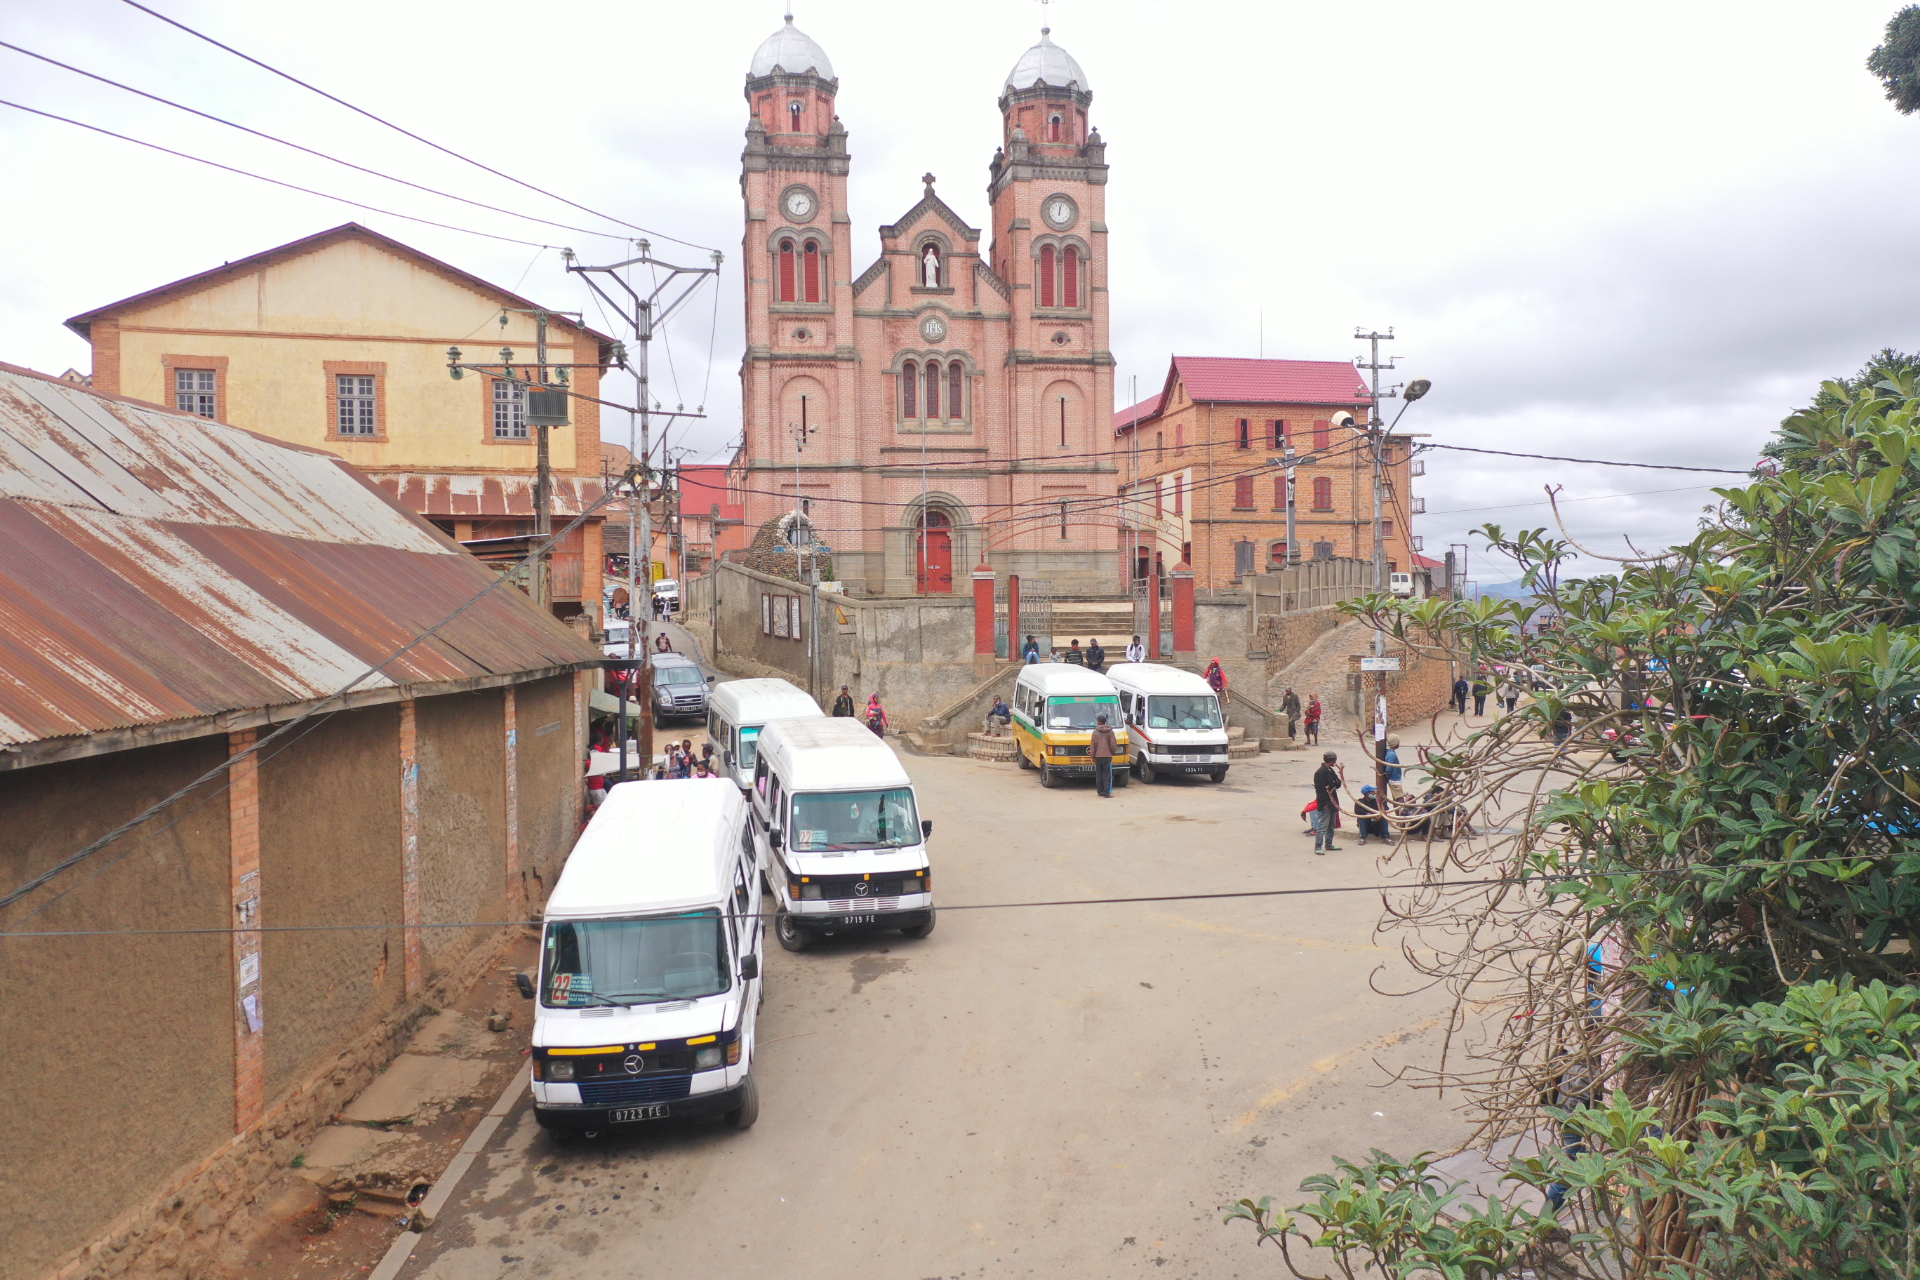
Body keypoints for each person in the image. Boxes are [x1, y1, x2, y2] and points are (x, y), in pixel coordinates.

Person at [1312, 750, 1345, 854]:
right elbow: (1320, 790)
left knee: (1331, 825)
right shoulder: (1320, 773)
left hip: (1333, 802)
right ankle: (1318, 846)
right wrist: (1324, 803)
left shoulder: (1330, 771)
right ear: (1330, 760)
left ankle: (1329, 844)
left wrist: (1334, 783)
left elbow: (1338, 782)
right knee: (1322, 826)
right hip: (1326, 803)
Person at [1089, 712, 1119, 798]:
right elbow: (1113, 745)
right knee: (1107, 774)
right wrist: (1111, 753)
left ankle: (1100, 791)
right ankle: (1106, 792)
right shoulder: (1110, 732)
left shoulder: (1095, 732)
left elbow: (1093, 745)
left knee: (1099, 774)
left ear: (1099, 722)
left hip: (1098, 756)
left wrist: (1092, 756)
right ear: (1105, 722)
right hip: (1107, 756)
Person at [1382, 734, 1405, 802]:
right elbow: (1389, 768)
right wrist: (1387, 776)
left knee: (1395, 798)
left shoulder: (1390, 753)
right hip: (1395, 779)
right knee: (1399, 797)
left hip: (1394, 778)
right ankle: (1401, 811)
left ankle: (1397, 811)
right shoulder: (1392, 755)